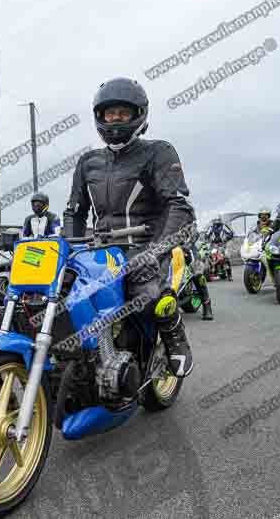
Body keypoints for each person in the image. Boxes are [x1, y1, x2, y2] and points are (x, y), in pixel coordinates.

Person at [63, 77, 197, 377]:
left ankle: (173, 330)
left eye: (122, 113)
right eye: (109, 114)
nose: (115, 120)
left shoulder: (158, 152)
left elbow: (178, 205)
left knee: (148, 296)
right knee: (60, 293)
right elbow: (75, 211)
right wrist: (68, 249)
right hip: (101, 250)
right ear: (99, 117)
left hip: (146, 245)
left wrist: (156, 250)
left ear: (139, 114)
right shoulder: (88, 162)